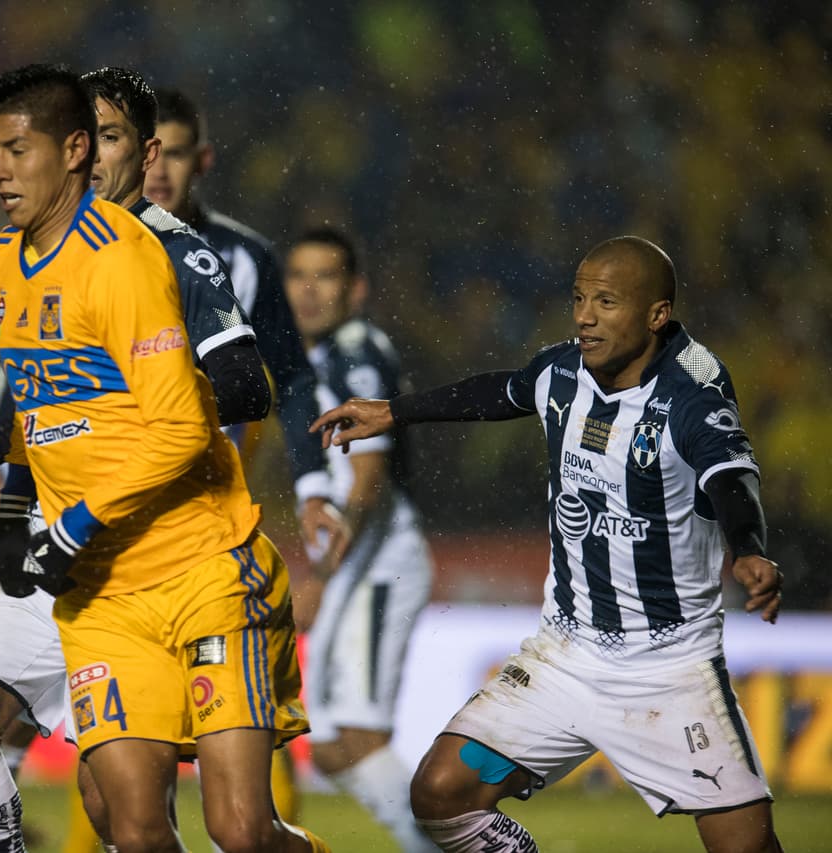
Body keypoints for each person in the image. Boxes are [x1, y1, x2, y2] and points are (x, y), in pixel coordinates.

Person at [0, 65, 275, 853]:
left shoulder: (167, 252)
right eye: (86, 137)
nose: (95, 158)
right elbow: (54, 407)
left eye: (110, 138)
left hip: (155, 547)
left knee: (134, 816)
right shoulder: (18, 255)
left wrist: (150, 406)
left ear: (144, 151)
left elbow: (243, 389)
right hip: (58, 544)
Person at [311, 236, 784, 853]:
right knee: (439, 793)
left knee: (746, 847)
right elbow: (499, 392)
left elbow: (731, 479)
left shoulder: (692, 393)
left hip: (668, 668)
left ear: (656, 315)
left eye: (607, 301)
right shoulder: (562, 372)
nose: (584, 315)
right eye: (579, 297)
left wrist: (747, 547)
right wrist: (394, 412)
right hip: (565, 656)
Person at [145, 87, 346, 583]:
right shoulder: (88, 249)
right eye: (150, 153)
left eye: (175, 153)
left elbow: (294, 381)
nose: (160, 170)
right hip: (97, 506)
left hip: (207, 513)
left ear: (203, 159)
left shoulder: (247, 259)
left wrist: (313, 488)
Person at [282, 227, 439, 852]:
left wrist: (324, 569)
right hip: (357, 560)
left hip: (379, 560)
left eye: (326, 277)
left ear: (356, 289)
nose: (310, 291)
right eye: (299, 275)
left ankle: (460, 844)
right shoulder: (323, 357)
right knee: (332, 749)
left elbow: (370, 478)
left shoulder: (355, 354)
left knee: (358, 741)